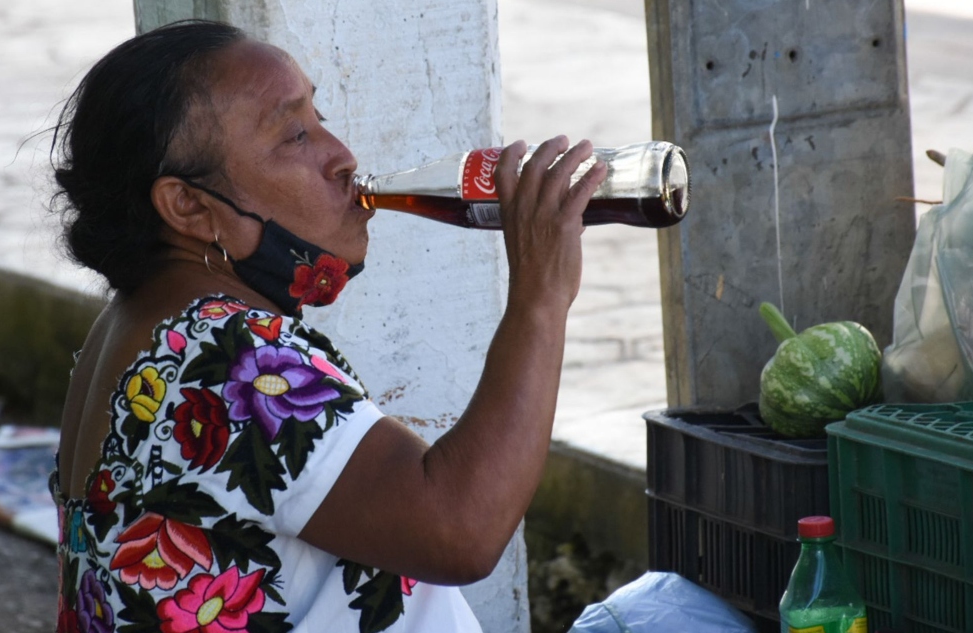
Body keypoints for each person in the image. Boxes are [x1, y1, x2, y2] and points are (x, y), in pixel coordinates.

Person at [48, 19, 606, 633]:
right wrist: (541, 297)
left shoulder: (136, 324)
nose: (342, 157)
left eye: (319, 118)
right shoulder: (227, 354)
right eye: (293, 136)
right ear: (188, 205)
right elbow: (461, 530)